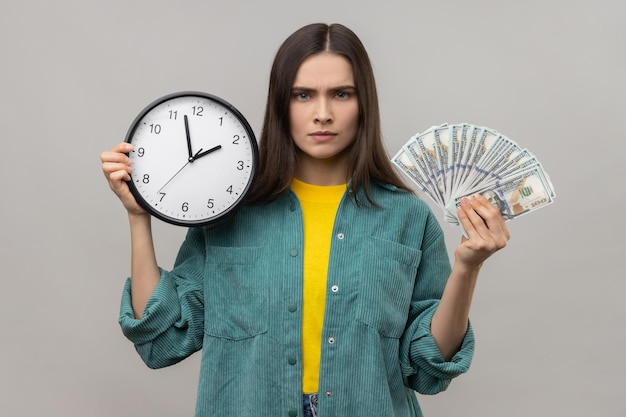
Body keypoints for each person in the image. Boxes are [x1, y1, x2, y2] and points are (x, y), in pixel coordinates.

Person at [101, 22, 510, 417]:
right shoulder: (229, 212)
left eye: (342, 94)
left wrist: (467, 268)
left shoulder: (408, 218)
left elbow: (427, 368)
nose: (323, 113)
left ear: (364, 102)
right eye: (303, 95)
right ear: (281, 103)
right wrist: (139, 217)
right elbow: (162, 340)